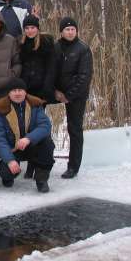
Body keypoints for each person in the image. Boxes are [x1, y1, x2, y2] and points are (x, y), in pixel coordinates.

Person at [0, 78, 54, 192]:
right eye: (14, 90)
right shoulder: (0, 109)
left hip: (30, 145)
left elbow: (45, 126)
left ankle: (41, 180)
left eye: (20, 90)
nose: (17, 93)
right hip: (12, 148)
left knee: (47, 144)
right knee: (7, 174)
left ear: (25, 92)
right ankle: (8, 176)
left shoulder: (35, 105)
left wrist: (28, 138)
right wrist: (10, 160)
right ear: (9, 93)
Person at [53, 17, 93, 179]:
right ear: (61, 31)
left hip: (76, 95)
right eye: (67, 29)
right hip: (56, 91)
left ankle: (73, 166)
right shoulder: (55, 47)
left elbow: (84, 76)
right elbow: (50, 70)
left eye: (72, 29)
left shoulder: (83, 49)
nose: (70, 32)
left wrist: (69, 96)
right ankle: (38, 162)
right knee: (37, 115)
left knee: (74, 128)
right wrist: (54, 91)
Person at [19, 14, 55, 103]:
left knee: (38, 115)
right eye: (27, 28)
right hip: (25, 88)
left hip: (41, 88)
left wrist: (47, 86)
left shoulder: (46, 42)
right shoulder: (20, 43)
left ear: (37, 28)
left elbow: (51, 66)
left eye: (32, 27)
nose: (29, 31)